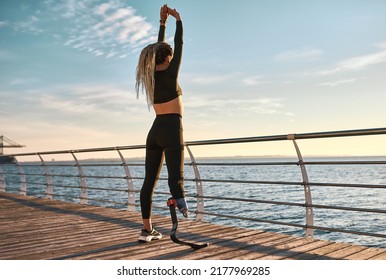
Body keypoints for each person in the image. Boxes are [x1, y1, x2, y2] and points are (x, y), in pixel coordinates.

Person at [135, 5, 188, 242]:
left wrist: (162, 24)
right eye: (171, 56)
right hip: (171, 127)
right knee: (175, 177)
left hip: (155, 130)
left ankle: (147, 230)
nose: (174, 57)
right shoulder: (170, 72)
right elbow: (180, 44)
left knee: (149, 181)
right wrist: (178, 20)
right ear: (168, 58)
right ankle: (182, 208)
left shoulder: (150, 77)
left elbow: (161, 48)